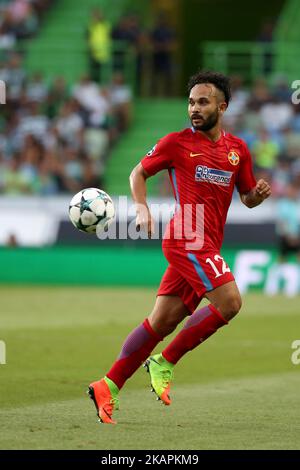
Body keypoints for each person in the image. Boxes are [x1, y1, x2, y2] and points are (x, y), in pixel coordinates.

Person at [88, 70, 271, 424]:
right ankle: (164, 361)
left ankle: (107, 385)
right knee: (230, 302)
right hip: (187, 237)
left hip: (207, 243)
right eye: (191, 102)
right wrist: (141, 208)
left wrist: (256, 196)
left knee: (161, 321)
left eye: (203, 102)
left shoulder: (238, 151)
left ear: (223, 106)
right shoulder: (176, 143)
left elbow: (246, 197)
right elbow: (137, 173)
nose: (194, 109)